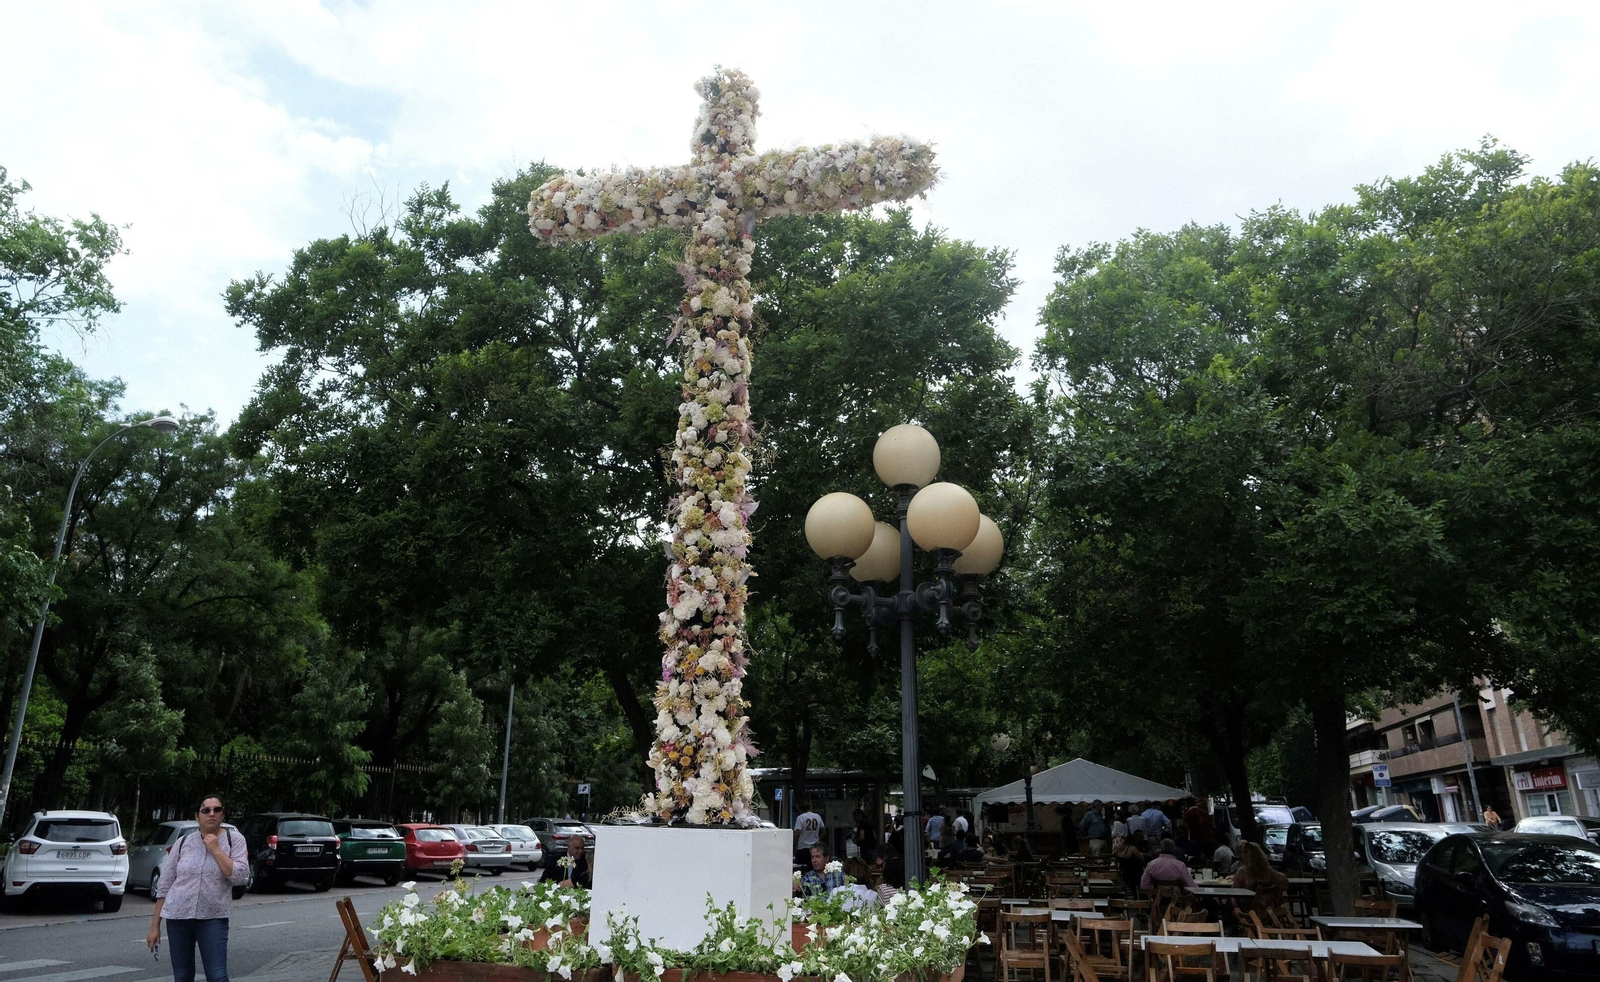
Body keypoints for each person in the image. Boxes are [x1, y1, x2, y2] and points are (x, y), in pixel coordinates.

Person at [146, 793, 250, 982]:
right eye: (206, 810)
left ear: (223, 815)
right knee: (183, 975)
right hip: (178, 916)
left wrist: (216, 849)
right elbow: (165, 884)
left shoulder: (234, 840)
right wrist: (155, 926)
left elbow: (240, 876)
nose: (212, 814)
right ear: (197, 816)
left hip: (213, 917)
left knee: (217, 976)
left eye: (217, 810)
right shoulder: (183, 842)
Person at [1232, 841, 1287, 911]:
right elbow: (1282, 879)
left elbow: (1235, 889)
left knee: (1231, 900)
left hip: (1249, 908)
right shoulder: (1269, 870)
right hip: (1270, 908)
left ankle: (1230, 921)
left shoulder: (1243, 871)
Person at [793, 801, 825, 867]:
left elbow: (797, 833)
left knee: (802, 867)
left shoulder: (800, 818)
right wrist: (818, 840)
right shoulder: (817, 816)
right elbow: (823, 831)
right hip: (815, 846)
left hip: (803, 847)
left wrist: (795, 844)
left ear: (801, 809)